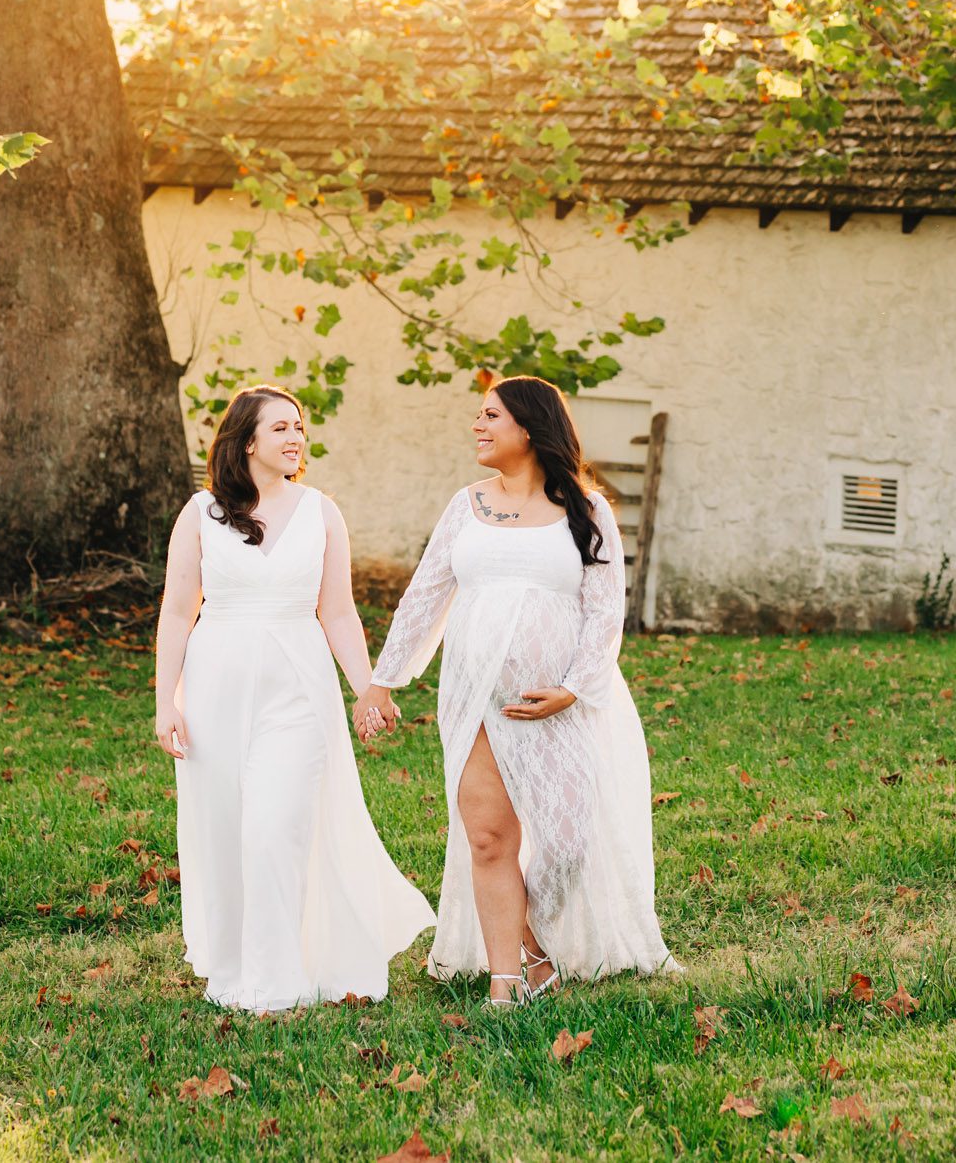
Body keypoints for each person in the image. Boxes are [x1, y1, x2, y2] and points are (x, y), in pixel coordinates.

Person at [355, 376, 673, 1004]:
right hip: (475, 698)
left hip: (557, 702)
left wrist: (575, 689)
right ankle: (509, 976)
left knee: (568, 841)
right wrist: (381, 683)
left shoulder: (587, 510)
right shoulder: (466, 506)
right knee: (487, 837)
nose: (478, 426)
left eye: (490, 416)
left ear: (528, 427)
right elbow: (425, 597)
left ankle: (537, 946)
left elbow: (606, 612)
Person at [152, 385, 434, 1013]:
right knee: (225, 832)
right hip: (215, 685)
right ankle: (233, 969)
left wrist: (367, 687)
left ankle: (279, 982)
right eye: (280, 427)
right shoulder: (200, 513)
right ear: (246, 440)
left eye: (299, 427)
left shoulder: (320, 512)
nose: (294, 437)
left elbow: (337, 611)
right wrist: (166, 701)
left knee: (276, 828)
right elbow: (176, 610)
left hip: (297, 686)